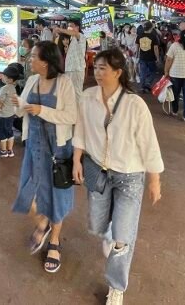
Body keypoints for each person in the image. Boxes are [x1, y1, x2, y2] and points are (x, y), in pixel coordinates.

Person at [72, 49, 163, 304]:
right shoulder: (87, 98)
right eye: (96, 67)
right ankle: (111, 233)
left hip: (130, 177)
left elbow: (149, 145)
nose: (98, 73)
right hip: (98, 171)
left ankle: (116, 286)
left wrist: (154, 180)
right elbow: (80, 129)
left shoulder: (135, 104)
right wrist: (77, 160)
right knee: (98, 226)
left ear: (118, 72)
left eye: (103, 68)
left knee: (123, 238)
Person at [12, 41, 79, 274]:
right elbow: (24, 111)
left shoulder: (64, 83)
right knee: (27, 193)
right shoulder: (31, 80)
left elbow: (71, 115)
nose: (29, 60)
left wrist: (42, 111)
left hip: (58, 150)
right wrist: (19, 106)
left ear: (46, 61)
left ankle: (55, 241)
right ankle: (42, 222)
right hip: (34, 147)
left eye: (33, 57)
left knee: (56, 196)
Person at [0, 65, 20, 158]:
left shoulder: (4, 88)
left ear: (10, 79)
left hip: (3, 115)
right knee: (9, 132)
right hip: (11, 114)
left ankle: (3, 151)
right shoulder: (14, 87)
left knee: (2, 133)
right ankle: (10, 151)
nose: (2, 77)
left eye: (4, 76)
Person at [54, 19, 86, 97]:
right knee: (70, 92)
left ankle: (79, 109)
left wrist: (60, 29)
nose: (69, 28)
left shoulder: (80, 36)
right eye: (68, 26)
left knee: (77, 93)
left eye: (71, 26)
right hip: (70, 69)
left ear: (77, 27)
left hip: (76, 69)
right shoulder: (71, 39)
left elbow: (74, 33)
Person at [137, 24, 161, 93]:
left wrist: (137, 55)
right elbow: (155, 48)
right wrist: (157, 58)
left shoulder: (139, 35)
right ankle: (147, 84)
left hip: (142, 57)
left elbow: (137, 46)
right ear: (151, 28)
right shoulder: (153, 36)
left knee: (142, 73)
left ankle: (142, 87)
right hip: (151, 57)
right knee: (153, 72)